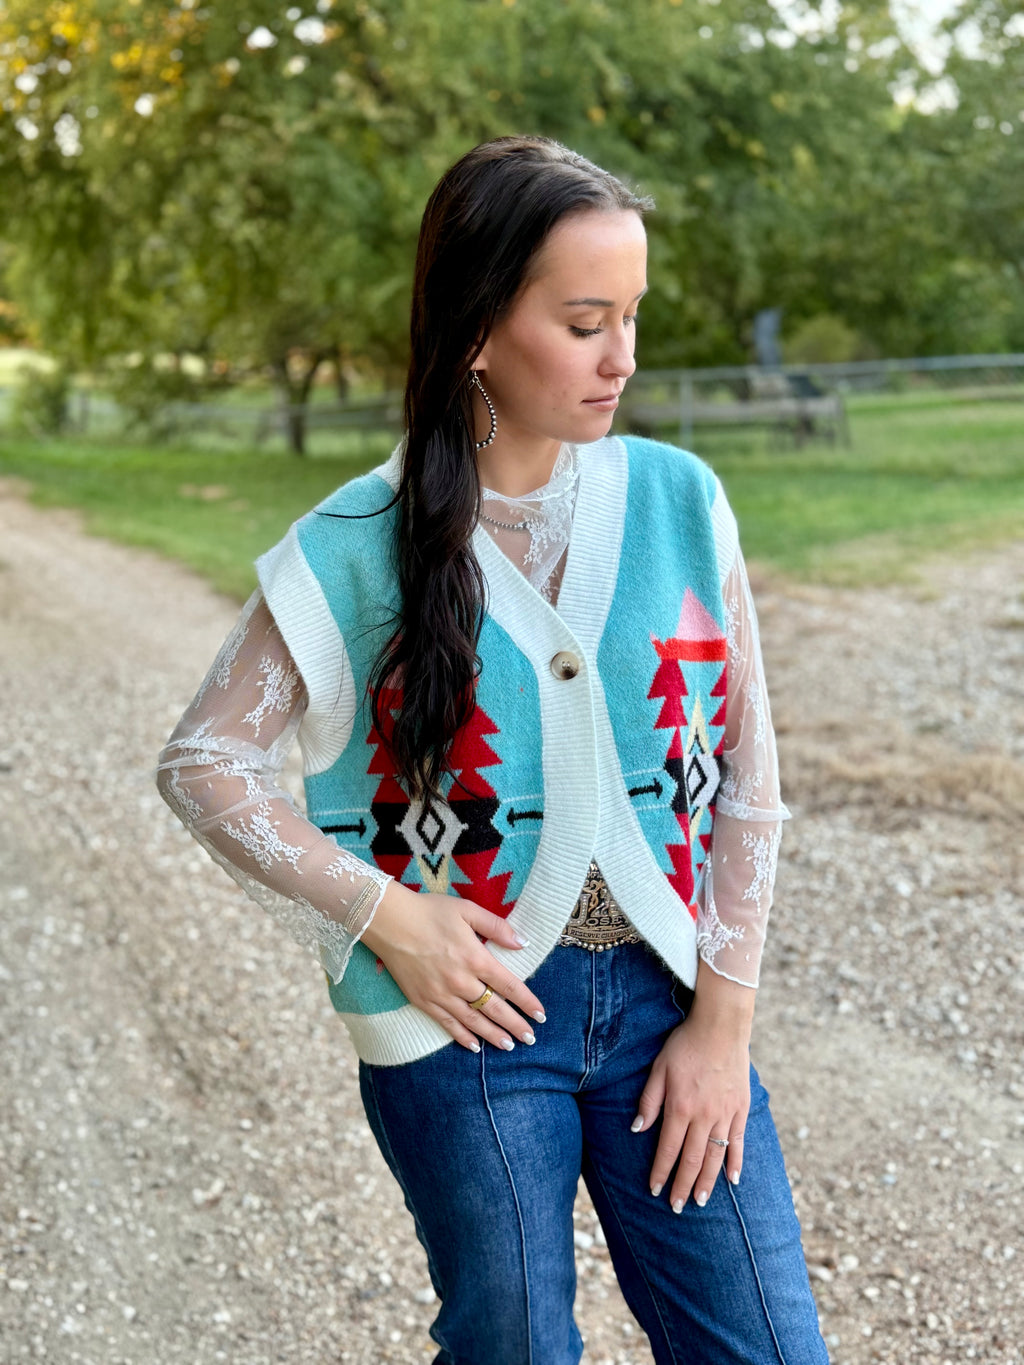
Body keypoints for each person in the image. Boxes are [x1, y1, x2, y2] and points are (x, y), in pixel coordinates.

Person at [156, 135, 829, 1365]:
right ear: (477, 326)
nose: (621, 357)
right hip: (464, 1024)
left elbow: (748, 784)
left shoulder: (683, 501)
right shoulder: (354, 543)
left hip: (665, 1004)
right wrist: (386, 917)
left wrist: (722, 1025)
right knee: (512, 1341)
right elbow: (204, 762)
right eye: (584, 322)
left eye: (630, 315)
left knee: (766, 1345)